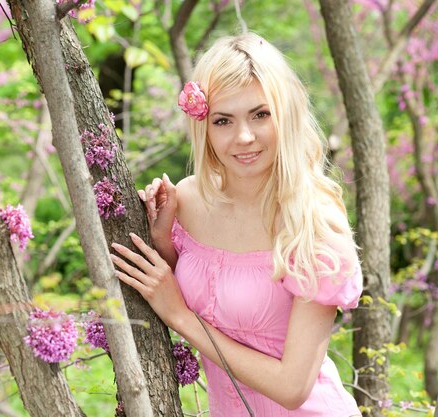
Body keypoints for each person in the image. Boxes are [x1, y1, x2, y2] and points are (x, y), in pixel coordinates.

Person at [110, 32, 363, 417]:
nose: (244, 137)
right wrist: (163, 239)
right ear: (204, 127)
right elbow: (207, 294)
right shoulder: (189, 199)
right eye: (223, 120)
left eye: (260, 115)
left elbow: (293, 387)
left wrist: (180, 316)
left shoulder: (314, 222)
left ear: (285, 114)